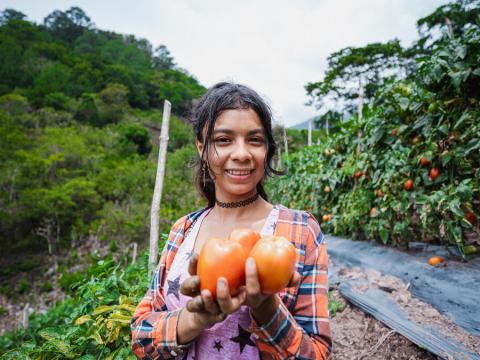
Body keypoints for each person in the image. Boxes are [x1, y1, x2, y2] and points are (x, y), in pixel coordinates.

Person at [131, 82, 332, 359]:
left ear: (267, 149)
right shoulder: (183, 230)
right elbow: (141, 336)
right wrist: (194, 319)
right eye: (223, 140)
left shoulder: (299, 232)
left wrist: (265, 307)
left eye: (255, 139)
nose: (241, 153)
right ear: (201, 147)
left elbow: (318, 353)